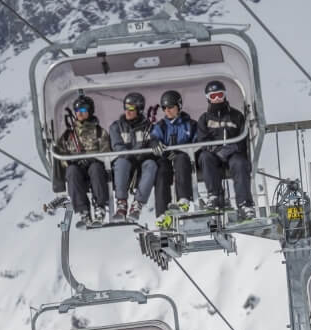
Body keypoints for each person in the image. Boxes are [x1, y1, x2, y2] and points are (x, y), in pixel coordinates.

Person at [197, 80, 256, 220]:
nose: (217, 99)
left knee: (240, 163)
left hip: (233, 153)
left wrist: (230, 149)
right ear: (208, 98)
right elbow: (202, 140)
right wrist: (215, 149)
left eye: (219, 95)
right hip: (214, 154)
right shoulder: (204, 119)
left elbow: (243, 139)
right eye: (213, 96)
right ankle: (215, 196)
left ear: (225, 95)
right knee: (205, 157)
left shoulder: (236, 116)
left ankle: (245, 204)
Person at [54, 94, 109, 227]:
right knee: (72, 171)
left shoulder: (99, 132)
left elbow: (106, 152)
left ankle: (100, 207)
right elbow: (61, 155)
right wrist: (71, 162)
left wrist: (91, 159)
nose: (80, 113)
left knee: (95, 168)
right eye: (77, 111)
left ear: (89, 112)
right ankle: (83, 210)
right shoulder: (68, 135)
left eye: (83, 110)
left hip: (95, 168)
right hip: (78, 171)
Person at [108, 92, 158, 221]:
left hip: (142, 161)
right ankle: (121, 203)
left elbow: (154, 140)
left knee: (151, 165)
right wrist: (138, 150)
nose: (127, 111)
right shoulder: (116, 127)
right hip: (126, 161)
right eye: (125, 107)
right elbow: (118, 147)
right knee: (121, 162)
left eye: (131, 109)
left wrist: (155, 144)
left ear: (139, 109)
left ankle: (137, 205)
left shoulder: (148, 126)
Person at [151, 90, 197, 227]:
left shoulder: (190, 124)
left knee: (181, 160)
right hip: (167, 158)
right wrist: (153, 142)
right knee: (161, 172)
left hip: (184, 157)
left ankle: (183, 200)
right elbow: (154, 137)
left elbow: (197, 141)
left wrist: (189, 150)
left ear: (179, 106)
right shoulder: (161, 126)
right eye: (164, 108)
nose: (167, 111)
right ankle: (162, 213)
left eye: (170, 107)